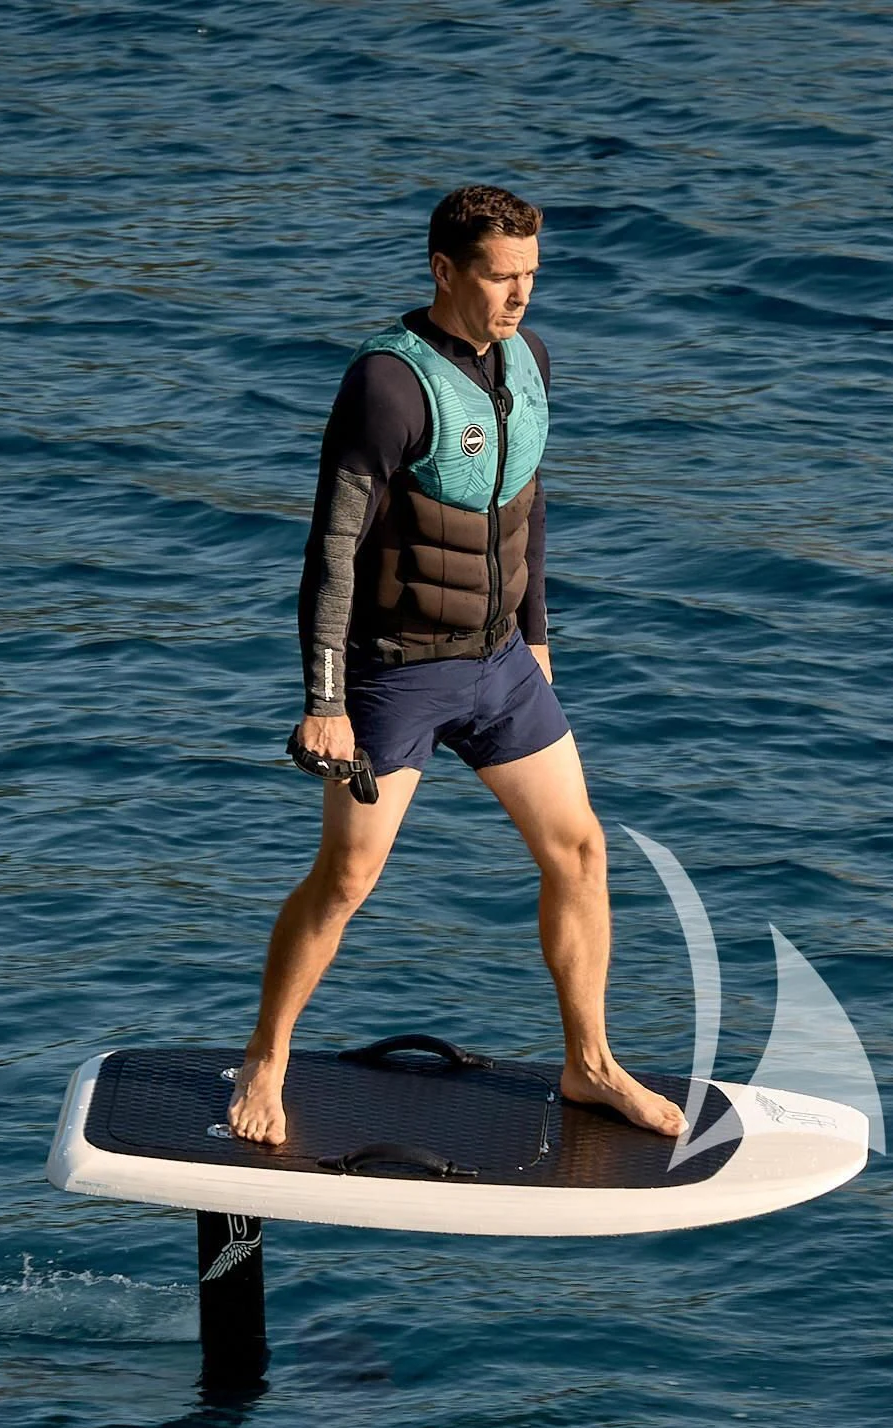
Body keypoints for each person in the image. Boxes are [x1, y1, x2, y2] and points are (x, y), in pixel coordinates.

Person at [223, 184, 685, 1146]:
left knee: (581, 850)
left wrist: (538, 634)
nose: (521, 295)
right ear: (444, 270)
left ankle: (591, 1065)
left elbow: (527, 500)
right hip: (395, 674)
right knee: (346, 880)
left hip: (501, 664)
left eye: (531, 276)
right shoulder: (387, 385)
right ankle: (267, 1055)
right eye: (501, 277)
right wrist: (324, 703)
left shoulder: (529, 360)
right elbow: (332, 552)